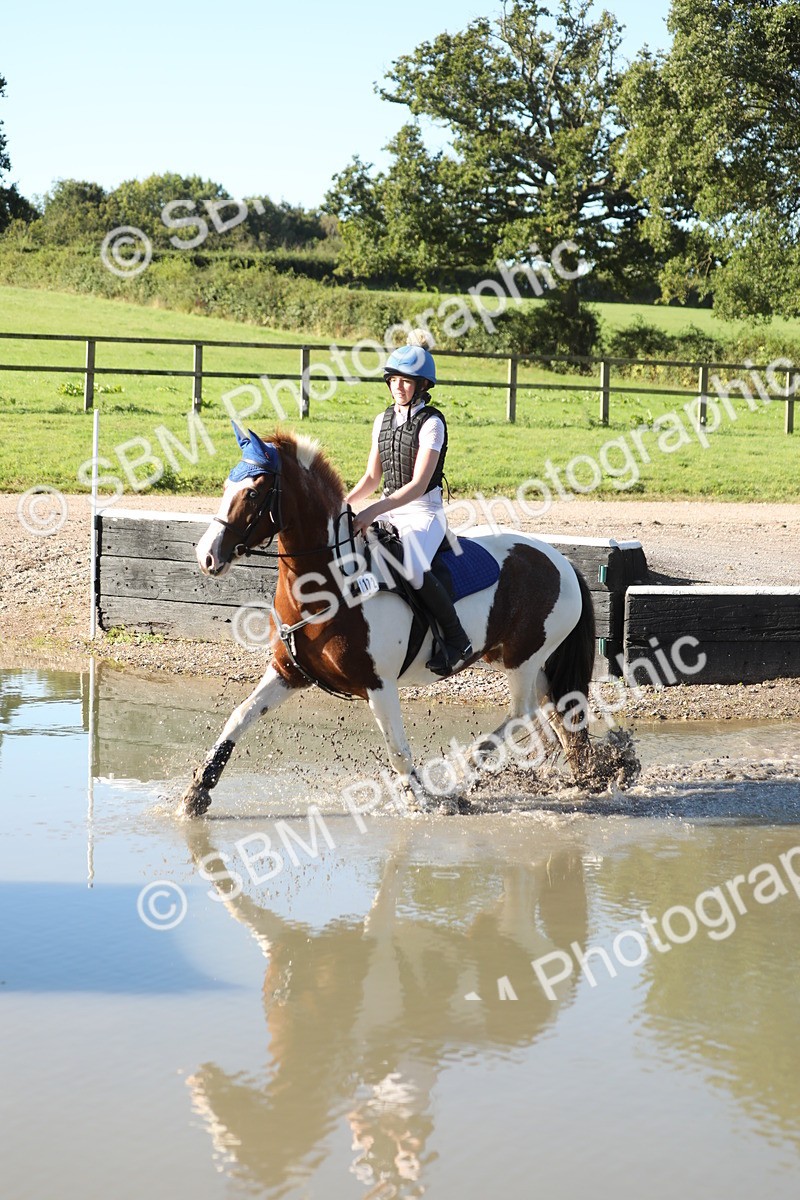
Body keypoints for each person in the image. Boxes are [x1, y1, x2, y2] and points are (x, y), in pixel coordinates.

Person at [345, 330, 473, 676]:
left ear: (422, 385)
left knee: (413, 567)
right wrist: (343, 503)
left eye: (407, 381)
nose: (398, 387)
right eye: (394, 380)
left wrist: (372, 510)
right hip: (389, 508)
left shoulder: (432, 423)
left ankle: (458, 640)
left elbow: (417, 486)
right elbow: (372, 478)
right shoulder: (382, 420)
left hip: (423, 512)